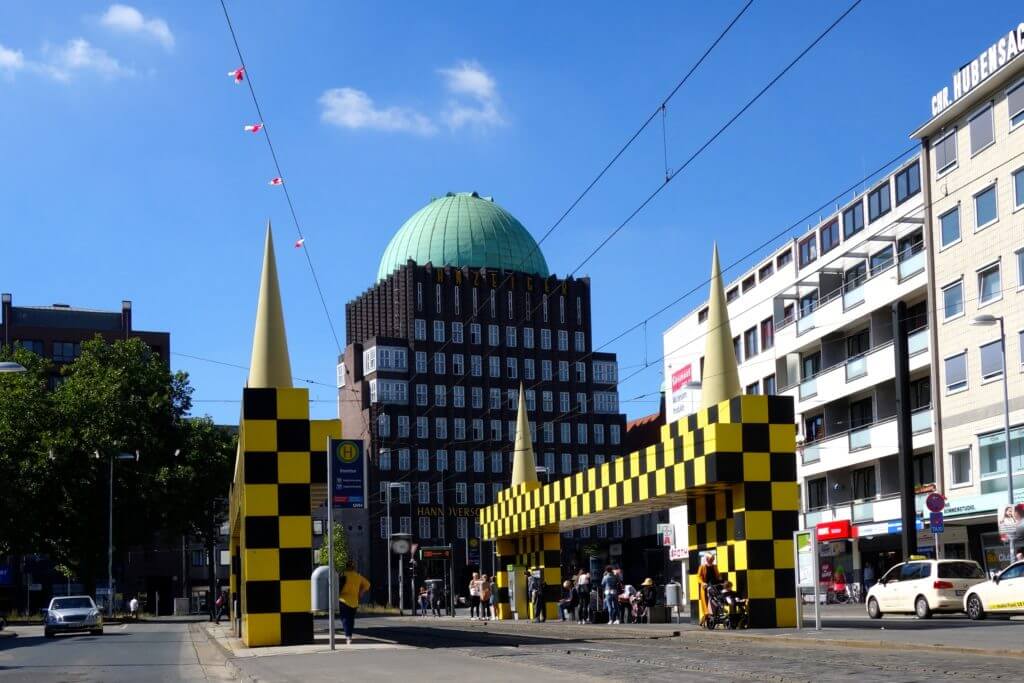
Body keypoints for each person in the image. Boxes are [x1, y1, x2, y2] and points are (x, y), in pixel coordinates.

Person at [338, 560, 370, 645]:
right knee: (351, 620)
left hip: (343, 600)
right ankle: (349, 636)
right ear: (353, 567)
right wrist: (361, 592)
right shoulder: (358, 576)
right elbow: (367, 584)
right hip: (354, 601)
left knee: (345, 619)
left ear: (346, 566)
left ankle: (348, 637)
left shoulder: (343, 574)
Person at [697, 553, 721, 623]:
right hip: (705, 587)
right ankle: (705, 617)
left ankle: (714, 614)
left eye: (713, 559)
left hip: (714, 586)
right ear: (707, 559)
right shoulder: (702, 567)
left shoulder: (715, 566)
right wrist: (702, 583)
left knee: (715, 600)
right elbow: (698, 576)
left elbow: (718, 575)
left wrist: (721, 580)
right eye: (711, 559)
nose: (712, 560)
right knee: (706, 602)